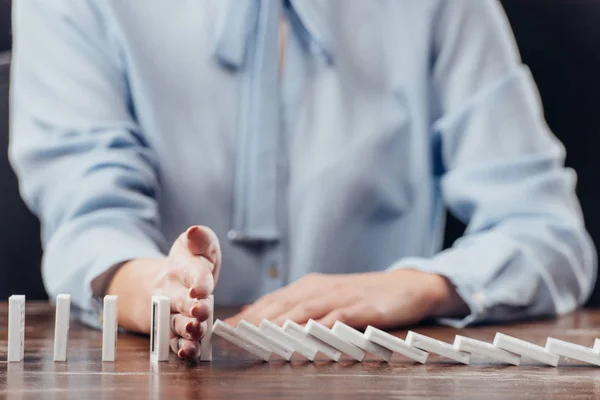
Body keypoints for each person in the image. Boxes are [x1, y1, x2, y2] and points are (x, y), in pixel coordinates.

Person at [9, 0, 596, 360]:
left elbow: (548, 231)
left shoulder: (438, 6)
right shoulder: (76, 4)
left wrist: (420, 286)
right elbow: (88, 214)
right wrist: (158, 289)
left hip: (381, 374)